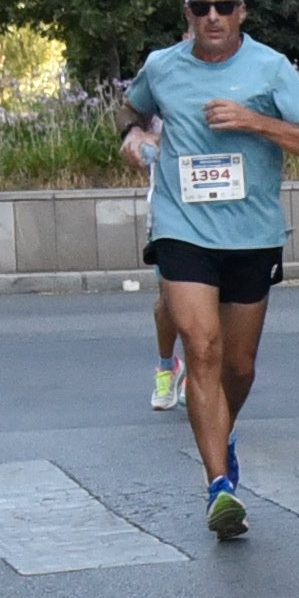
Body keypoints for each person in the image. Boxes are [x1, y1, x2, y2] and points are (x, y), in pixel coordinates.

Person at [115, 0, 299, 538]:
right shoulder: (162, 66)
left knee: (238, 367)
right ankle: (219, 487)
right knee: (203, 347)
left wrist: (255, 121)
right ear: (187, 16)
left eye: (224, 6)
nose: (212, 16)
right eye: (201, 7)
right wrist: (135, 142)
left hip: (253, 234)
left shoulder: (270, 67)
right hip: (181, 228)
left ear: (242, 12)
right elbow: (130, 111)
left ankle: (221, 431)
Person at [121, 113, 186, 409]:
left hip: (219, 210)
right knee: (171, 298)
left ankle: (201, 371)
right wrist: (136, 135)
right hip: (169, 212)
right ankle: (166, 366)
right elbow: (128, 116)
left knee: (217, 297)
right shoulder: (161, 83)